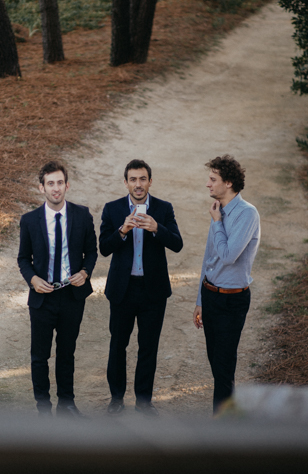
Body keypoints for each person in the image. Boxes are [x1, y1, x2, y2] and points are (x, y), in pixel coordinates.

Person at [100, 159, 183, 417]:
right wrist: (122, 230)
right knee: (118, 346)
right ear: (126, 182)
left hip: (153, 291)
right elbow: (104, 248)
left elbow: (178, 244)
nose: (138, 184)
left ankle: (144, 402)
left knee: (149, 347)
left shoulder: (163, 208)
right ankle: (116, 399)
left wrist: (157, 228)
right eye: (133, 179)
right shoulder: (112, 209)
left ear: (150, 181)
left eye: (142, 179)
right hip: (122, 290)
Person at [18, 161, 98, 418]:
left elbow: (92, 252)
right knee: (39, 357)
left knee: (67, 353)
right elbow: (23, 259)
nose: (56, 188)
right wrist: (32, 280)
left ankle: (67, 404)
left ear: (67, 185)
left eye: (60, 183)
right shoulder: (29, 221)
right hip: (42, 297)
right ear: (42, 188)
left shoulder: (82, 215)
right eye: (50, 183)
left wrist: (85, 273)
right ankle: (43, 409)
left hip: (72, 296)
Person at [193, 155, 260, 414]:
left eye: (213, 180)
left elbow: (229, 255)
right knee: (216, 365)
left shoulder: (247, 214)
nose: (208, 185)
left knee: (223, 370)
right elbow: (209, 258)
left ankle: (223, 431)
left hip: (232, 301)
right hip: (211, 297)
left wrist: (218, 223)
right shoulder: (218, 210)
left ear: (229, 183)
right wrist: (200, 300)